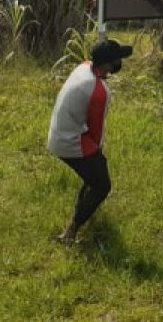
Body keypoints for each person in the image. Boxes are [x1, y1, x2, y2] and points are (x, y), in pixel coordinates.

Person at [47, 39, 132, 242]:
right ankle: (72, 231)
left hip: (58, 133)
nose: (120, 62)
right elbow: (96, 132)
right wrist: (97, 151)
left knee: (95, 171)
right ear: (109, 65)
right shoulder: (99, 91)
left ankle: (81, 216)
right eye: (117, 59)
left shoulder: (83, 67)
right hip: (71, 141)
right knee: (102, 185)